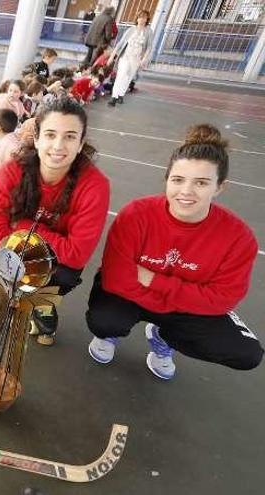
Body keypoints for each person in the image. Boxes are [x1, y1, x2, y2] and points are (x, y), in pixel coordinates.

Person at [87, 124, 262, 378]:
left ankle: (163, 337)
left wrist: (152, 279)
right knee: (105, 321)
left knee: (246, 353)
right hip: (162, 301)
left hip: (176, 306)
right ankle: (112, 334)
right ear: (166, 179)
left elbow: (223, 299)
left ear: (219, 187)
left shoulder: (239, 238)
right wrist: (183, 297)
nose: (186, 192)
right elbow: (116, 279)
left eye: (201, 182)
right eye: (178, 180)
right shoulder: (136, 215)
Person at [0, 97, 110, 346]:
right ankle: (5, 291)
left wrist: (23, 226)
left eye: (70, 136)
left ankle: (41, 302)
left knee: (67, 274)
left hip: (52, 260)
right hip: (21, 250)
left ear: (81, 143)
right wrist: (39, 239)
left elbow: (77, 254)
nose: (58, 145)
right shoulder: (13, 171)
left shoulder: (95, 186)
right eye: (50, 134)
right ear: (36, 139)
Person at [108, 10, 154, 107]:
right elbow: (120, 44)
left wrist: (144, 59)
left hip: (136, 59)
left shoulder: (149, 31)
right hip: (125, 57)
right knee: (121, 74)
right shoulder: (130, 30)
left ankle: (121, 94)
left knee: (128, 77)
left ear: (147, 19)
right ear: (137, 18)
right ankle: (114, 97)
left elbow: (149, 47)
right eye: (140, 17)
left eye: (144, 17)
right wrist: (112, 56)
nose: (141, 19)